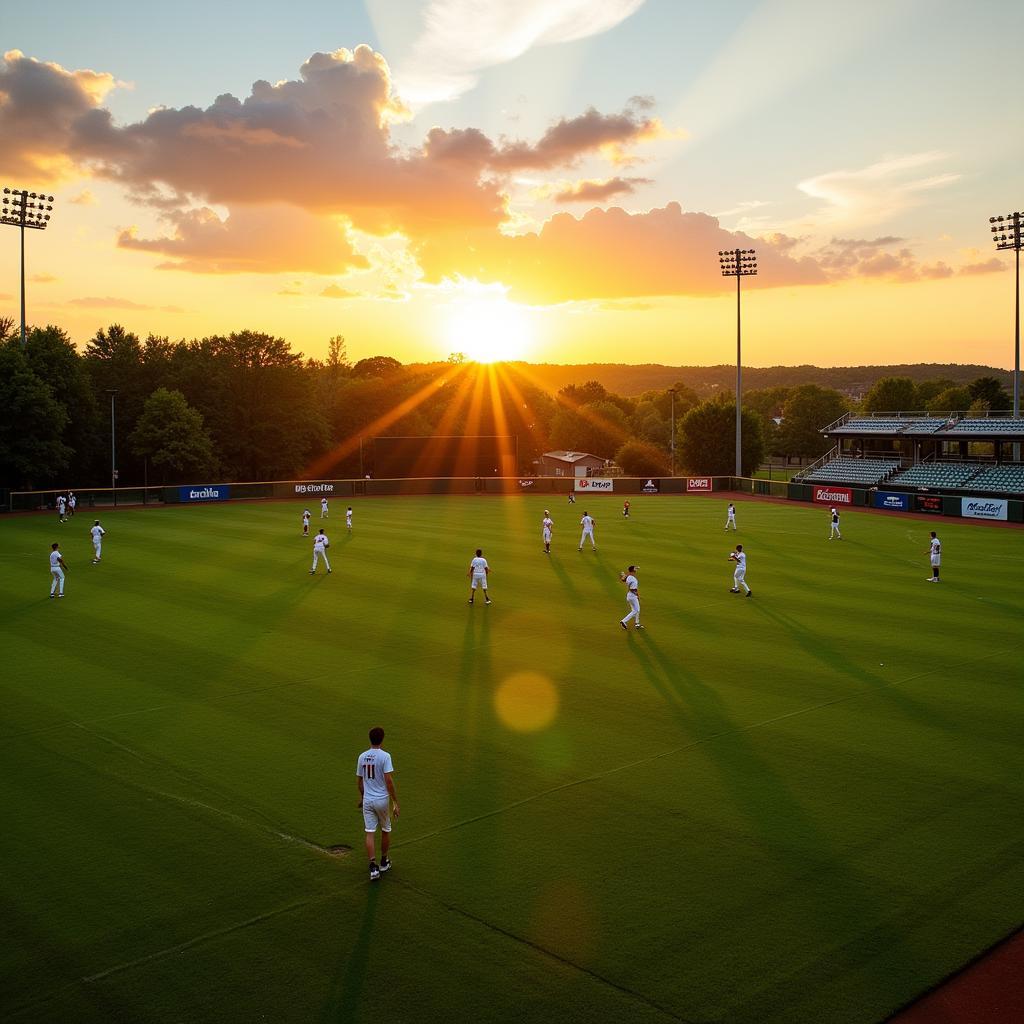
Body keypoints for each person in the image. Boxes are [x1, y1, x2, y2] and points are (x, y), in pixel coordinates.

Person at [356, 726, 399, 882]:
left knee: (369, 832)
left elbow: (359, 781)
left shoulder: (362, 756)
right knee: (386, 829)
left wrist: (362, 797)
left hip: (367, 799)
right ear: (382, 739)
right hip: (381, 800)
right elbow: (388, 780)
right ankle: (384, 861)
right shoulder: (385, 756)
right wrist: (395, 801)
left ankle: (373, 866)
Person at [619, 565, 643, 630]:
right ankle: (623, 621)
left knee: (636, 609)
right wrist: (638, 595)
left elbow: (623, 579)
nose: (636, 570)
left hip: (629, 596)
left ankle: (637, 623)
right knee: (636, 610)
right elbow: (633, 589)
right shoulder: (632, 579)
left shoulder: (628, 576)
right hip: (632, 596)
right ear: (633, 570)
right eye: (635, 569)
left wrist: (623, 575)